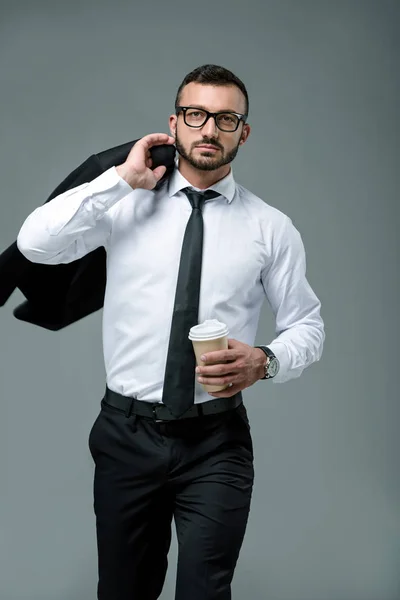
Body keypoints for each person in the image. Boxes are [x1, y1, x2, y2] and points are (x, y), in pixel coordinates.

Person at [16, 64, 325, 600]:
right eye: (196, 114)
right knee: (123, 590)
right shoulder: (125, 203)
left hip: (216, 441)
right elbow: (35, 244)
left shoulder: (270, 228)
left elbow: (308, 324)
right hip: (125, 435)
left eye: (226, 118)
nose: (209, 129)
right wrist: (118, 180)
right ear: (174, 123)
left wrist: (266, 360)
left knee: (206, 592)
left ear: (243, 132)